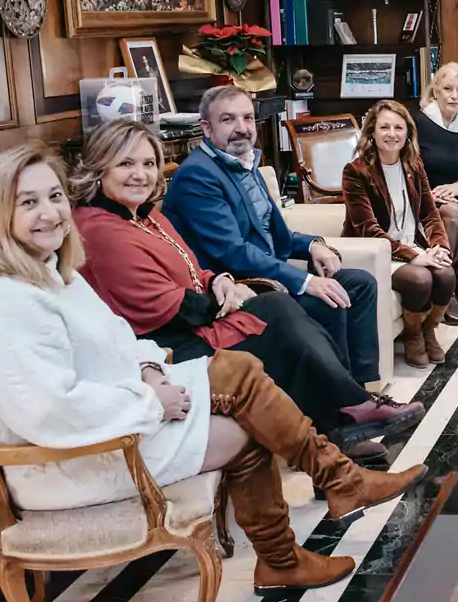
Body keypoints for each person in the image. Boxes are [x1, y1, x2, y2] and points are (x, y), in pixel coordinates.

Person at [0, 143, 428, 593]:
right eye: (28, 202)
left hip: (113, 409)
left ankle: (326, 503)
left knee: (239, 371)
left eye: (53, 196)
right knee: (246, 404)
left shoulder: (42, 265)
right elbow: (48, 410)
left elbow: (113, 334)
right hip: (77, 456)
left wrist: (149, 369)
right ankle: (305, 530)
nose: (50, 213)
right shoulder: (2, 299)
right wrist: (150, 401)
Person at [72, 121, 423, 465]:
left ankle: (343, 424)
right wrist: (230, 297)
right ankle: (347, 417)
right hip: (167, 344)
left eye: (148, 164)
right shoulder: (101, 229)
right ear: (99, 168)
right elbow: (171, 306)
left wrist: (217, 280)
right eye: (126, 164)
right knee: (278, 311)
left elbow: (193, 267)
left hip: (197, 317)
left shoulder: (145, 215)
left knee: (304, 306)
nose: (140, 174)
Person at [163, 85, 382, 385]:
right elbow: (233, 251)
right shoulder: (197, 176)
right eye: (228, 120)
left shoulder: (246, 163)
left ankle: (362, 387)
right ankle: (339, 401)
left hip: (271, 275)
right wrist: (305, 281)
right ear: (206, 127)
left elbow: (273, 232)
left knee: (360, 284)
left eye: (248, 119)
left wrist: (314, 246)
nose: (241, 129)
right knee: (325, 300)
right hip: (240, 287)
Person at [343, 101, 455, 369]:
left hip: (410, 246)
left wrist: (439, 246)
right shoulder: (356, 172)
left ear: (408, 133)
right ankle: (413, 334)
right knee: (419, 279)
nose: (392, 134)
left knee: (447, 273)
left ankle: (429, 329)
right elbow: (369, 230)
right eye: (384, 127)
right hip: (376, 253)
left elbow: (430, 213)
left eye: (398, 127)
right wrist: (414, 257)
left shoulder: (413, 165)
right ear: (372, 132)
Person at [414, 62, 458, 324]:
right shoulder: (418, 122)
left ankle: (440, 289)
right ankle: (448, 295)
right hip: (419, 199)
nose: (454, 95)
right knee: (455, 214)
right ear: (435, 92)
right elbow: (407, 169)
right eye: (447, 89)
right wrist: (430, 194)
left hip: (450, 199)